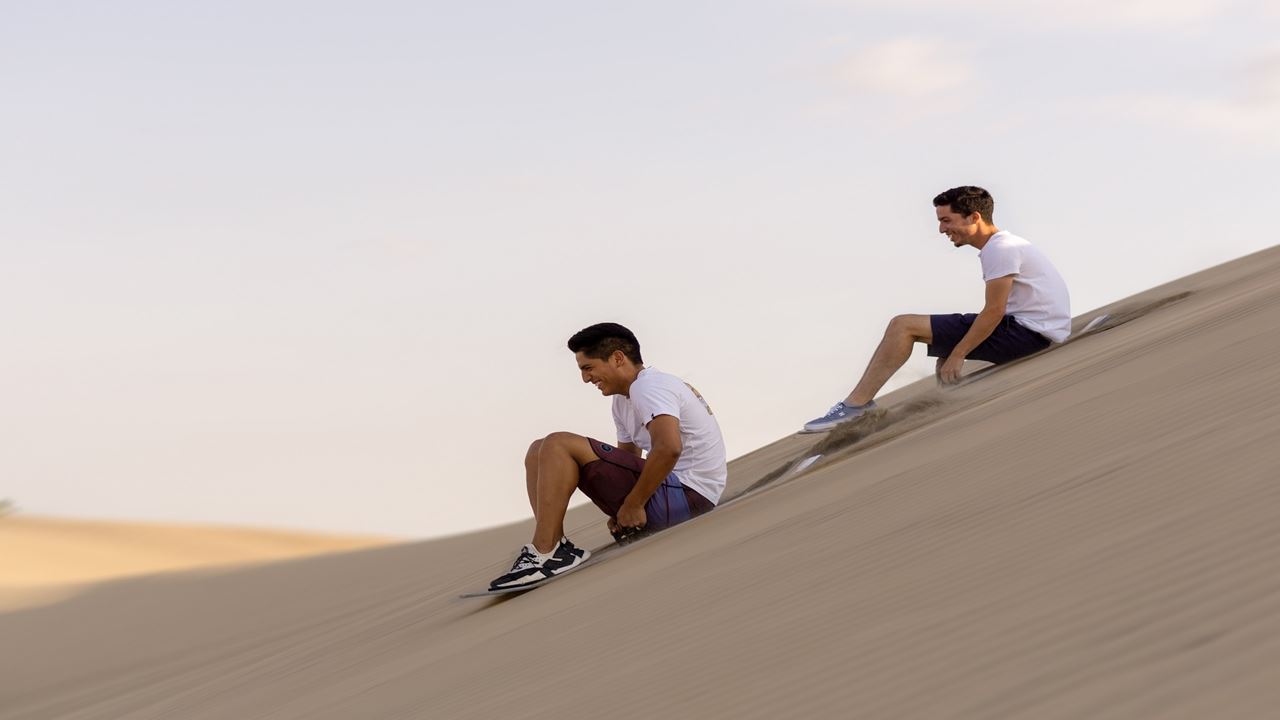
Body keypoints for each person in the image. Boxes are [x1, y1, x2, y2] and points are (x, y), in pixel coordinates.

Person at [802, 185, 1071, 433]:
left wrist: (959, 353)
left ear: (974, 217)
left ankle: (855, 406)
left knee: (903, 325)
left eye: (946, 220)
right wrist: (952, 349)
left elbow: (994, 311)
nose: (942, 229)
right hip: (1033, 331)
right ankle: (947, 408)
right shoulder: (1005, 245)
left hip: (1027, 334)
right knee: (935, 344)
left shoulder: (1000, 249)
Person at [489, 322, 727, 591]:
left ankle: (544, 550)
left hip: (689, 497)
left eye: (588, 368)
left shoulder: (649, 387)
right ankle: (555, 545)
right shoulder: (623, 399)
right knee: (538, 449)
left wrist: (634, 504)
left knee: (558, 443)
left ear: (617, 358)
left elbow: (668, 448)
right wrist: (622, 502)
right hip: (671, 495)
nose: (585, 379)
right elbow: (625, 457)